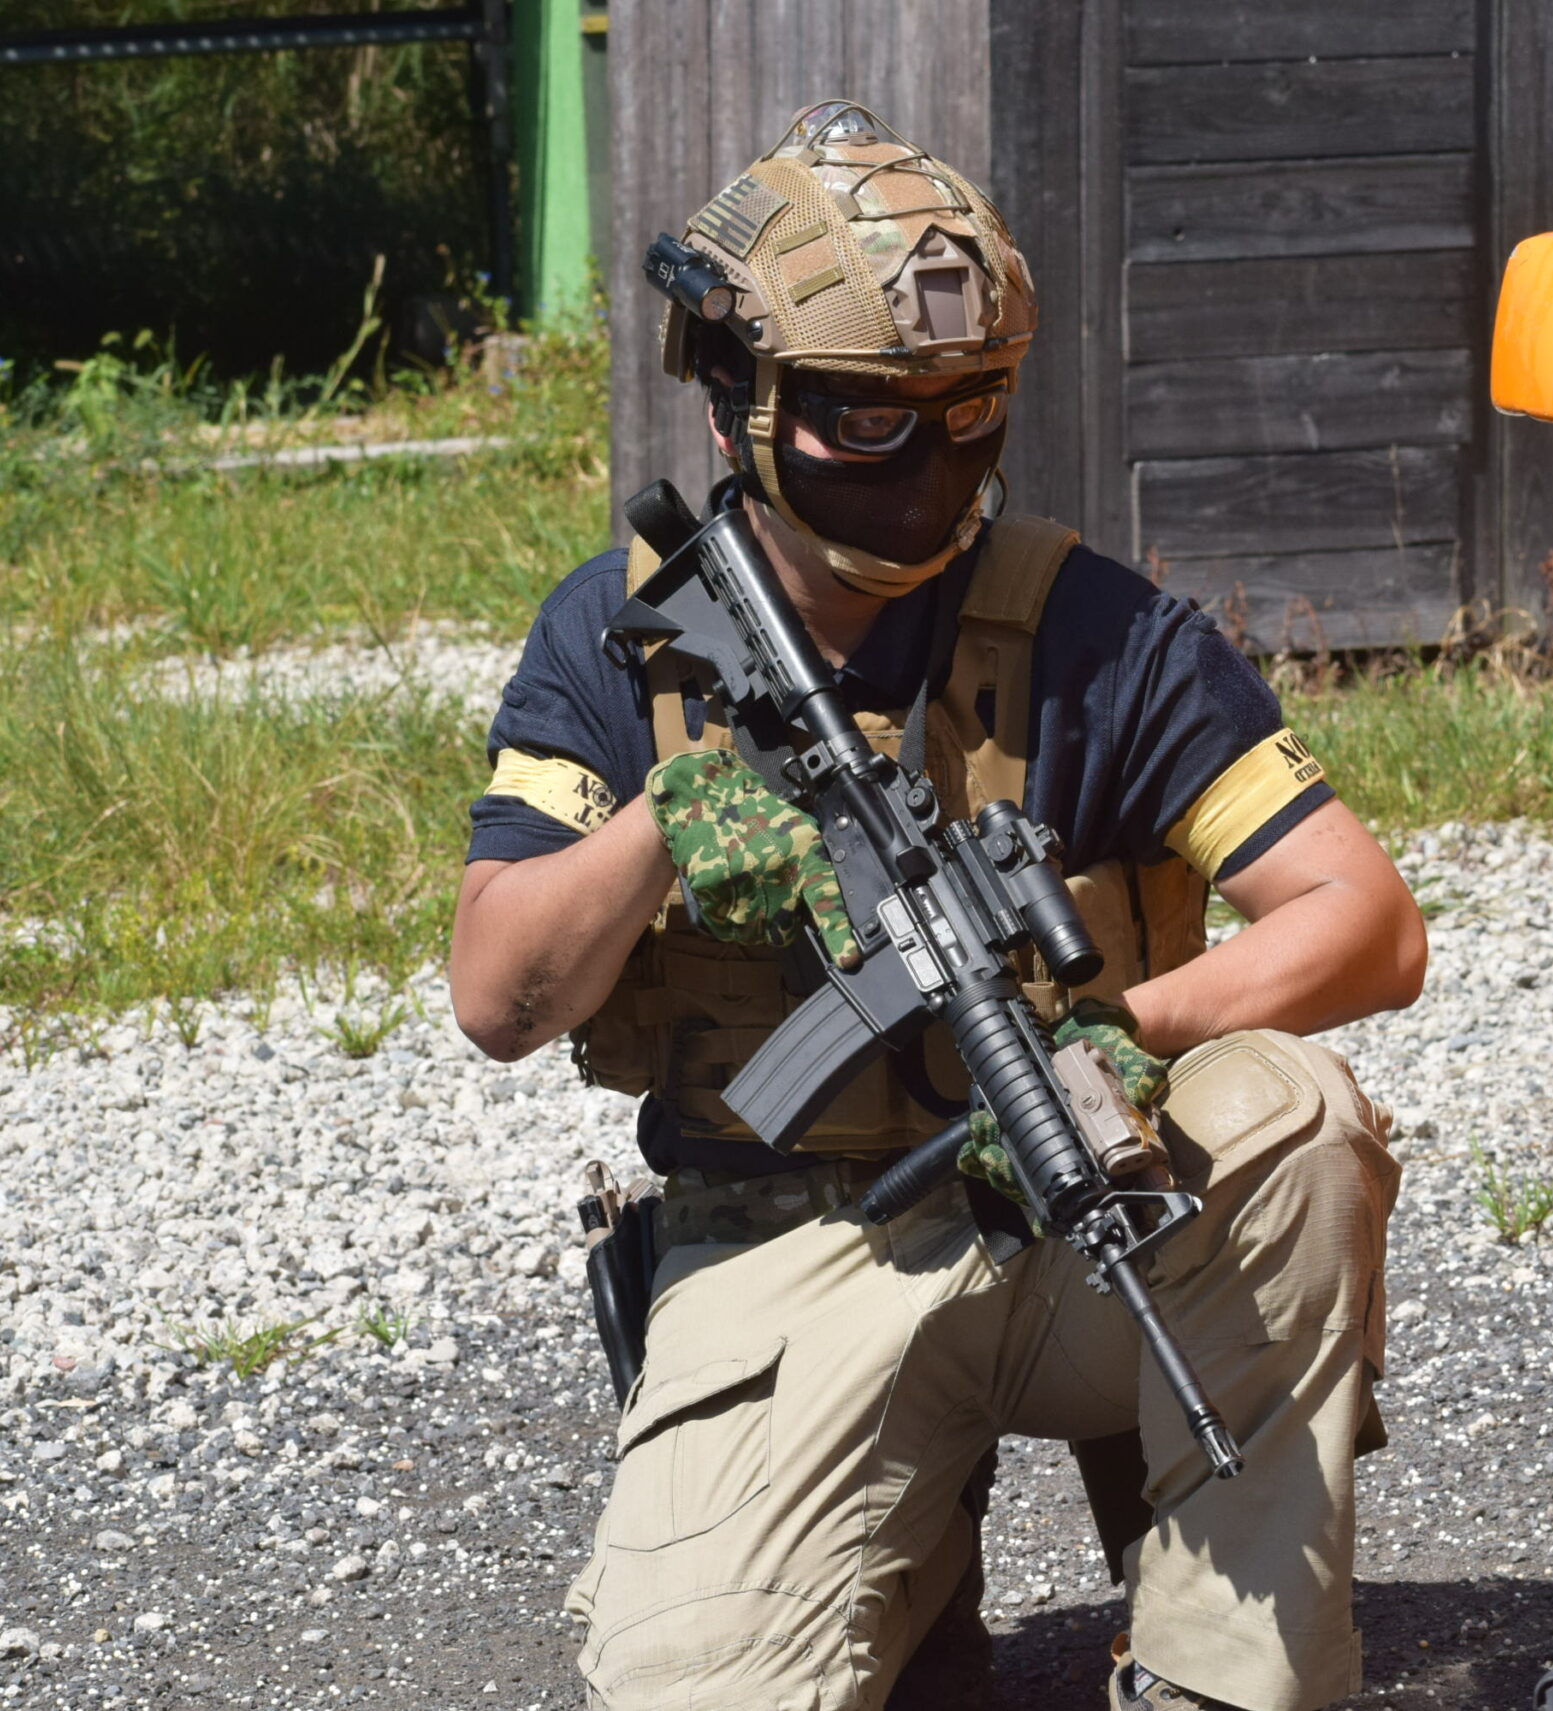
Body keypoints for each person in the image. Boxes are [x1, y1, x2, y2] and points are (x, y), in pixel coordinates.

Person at [447, 99, 1425, 1711]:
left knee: (1298, 1120)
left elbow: (1369, 922)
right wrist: (663, 830)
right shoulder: (626, 641)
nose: (924, 460)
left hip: (1072, 1221)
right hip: (788, 1251)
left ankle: (1223, 1670)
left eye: (966, 411)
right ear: (737, 403)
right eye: (869, 419)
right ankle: (902, 1575)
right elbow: (498, 996)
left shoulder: (1094, 631)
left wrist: (1110, 1029)